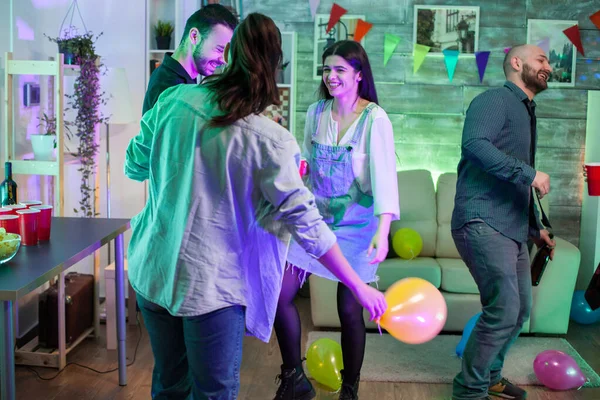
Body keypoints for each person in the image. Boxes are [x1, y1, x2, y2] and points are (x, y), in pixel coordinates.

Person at [125, 14, 387, 400]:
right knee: (213, 393)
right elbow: (308, 225)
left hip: (154, 271)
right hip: (209, 287)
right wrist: (359, 286)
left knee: (168, 386)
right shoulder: (270, 139)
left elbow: (134, 165)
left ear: (230, 56)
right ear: (272, 67)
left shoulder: (171, 100)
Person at [273, 40, 400, 400]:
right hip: (316, 221)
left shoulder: (376, 120)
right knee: (279, 294)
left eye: (340, 69)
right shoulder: (315, 112)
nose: (331, 76)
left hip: (358, 227)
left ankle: (350, 387)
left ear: (359, 75)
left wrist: (383, 230)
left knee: (349, 309)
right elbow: (306, 165)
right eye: (327, 69)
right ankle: (293, 376)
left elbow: (385, 177)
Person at [450, 44, 556, 400]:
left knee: (520, 310)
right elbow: (475, 144)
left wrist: (535, 229)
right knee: (503, 309)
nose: (548, 67)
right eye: (541, 60)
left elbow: (513, 181)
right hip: (482, 219)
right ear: (516, 62)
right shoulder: (495, 99)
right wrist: (529, 173)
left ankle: (491, 376)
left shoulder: (526, 111)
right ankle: (469, 391)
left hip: (512, 228)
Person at [142, 4, 237, 114]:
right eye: (220, 49)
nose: (223, 60)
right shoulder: (168, 87)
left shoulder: (185, 80)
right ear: (194, 36)